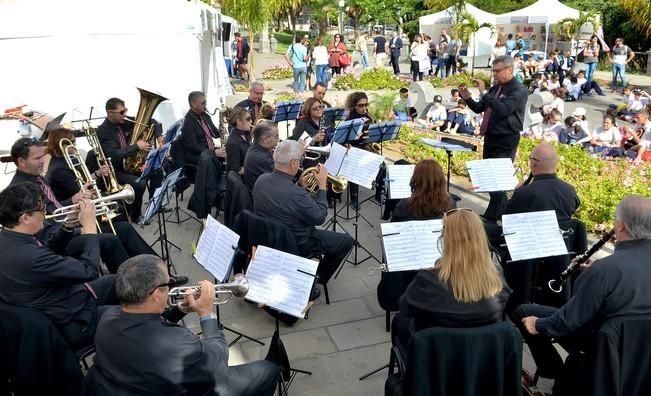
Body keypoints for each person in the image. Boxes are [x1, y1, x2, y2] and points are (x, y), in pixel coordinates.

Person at [91, 255, 280, 395]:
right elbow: (218, 359)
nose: (172, 286)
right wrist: (207, 314)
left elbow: (147, 320)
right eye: (169, 282)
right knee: (268, 370)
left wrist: (181, 309)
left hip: (135, 381)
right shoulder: (177, 344)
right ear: (156, 294)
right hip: (180, 388)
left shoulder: (107, 317)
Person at [513, 195, 651, 383]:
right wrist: (588, 272)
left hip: (602, 345)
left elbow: (569, 320)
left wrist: (538, 324)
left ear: (620, 225)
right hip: (640, 349)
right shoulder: (605, 269)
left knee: (524, 312)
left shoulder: (605, 270)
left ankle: (555, 370)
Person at [0, 182, 120, 349]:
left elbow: (48, 249)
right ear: (25, 218)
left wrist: (68, 225)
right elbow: (89, 270)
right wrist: (90, 228)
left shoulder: (9, 238)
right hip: (73, 321)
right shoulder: (30, 257)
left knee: (121, 281)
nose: (44, 214)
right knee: (134, 315)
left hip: (63, 302)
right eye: (40, 210)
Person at [392, 208, 511, 350]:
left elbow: (405, 307)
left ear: (446, 240)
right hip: (482, 359)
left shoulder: (428, 279)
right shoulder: (497, 278)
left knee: (400, 321)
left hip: (437, 360)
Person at [9, 137, 130, 274]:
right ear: (21, 162)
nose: (43, 161)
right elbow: (43, 230)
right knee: (111, 239)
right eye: (37, 158)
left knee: (123, 227)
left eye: (43, 156)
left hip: (66, 226)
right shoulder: (21, 190)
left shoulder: (36, 177)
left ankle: (144, 270)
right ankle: (130, 282)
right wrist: (80, 229)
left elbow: (53, 208)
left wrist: (74, 200)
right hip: (57, 241)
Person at [44, 128, 161, 259]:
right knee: (119, 214)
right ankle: (134, 256)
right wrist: (92, 192)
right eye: (71, 142)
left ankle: (132, 254)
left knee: (119, 211)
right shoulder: (59, 169)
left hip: (83, 207)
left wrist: (97, 174)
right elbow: (79, 192)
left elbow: (82, 183)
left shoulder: (66, 160)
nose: (74, 145)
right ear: (61, 145)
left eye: (74, 141)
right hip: (77, 214)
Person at [252, 140, 354, 284]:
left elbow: (285, 198)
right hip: (299, 242)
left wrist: (300, 185)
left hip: (268, 238)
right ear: (293, 163)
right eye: (301, 159)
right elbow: (319, 217)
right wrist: (323, 186)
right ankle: (318, 278)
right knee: (346, 241)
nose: (301, 163)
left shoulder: (261, 180)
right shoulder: (295, 194)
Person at [459, 55, 528, 221]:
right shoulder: (496, 89)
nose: (494, 75)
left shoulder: (518, 90)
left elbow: (503, 109)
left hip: (506, 139)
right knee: (490, 178)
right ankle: (497, 211)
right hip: (491, 137)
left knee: (498, 179)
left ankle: (498, 214)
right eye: (493, 71)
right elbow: (479, 108)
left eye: (497, 71)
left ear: (509, 70)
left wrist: (483, 91)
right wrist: (467, 97)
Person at [97, 97, 154, 222]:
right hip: (115, 170)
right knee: (139, 183)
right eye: (122, 112)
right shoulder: (103, 131)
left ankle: (154, 206)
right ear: (110, 113)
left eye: (126, 111)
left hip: (128, 164)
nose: (125, 115)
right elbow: (113, 155)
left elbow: (152, 121)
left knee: (156, 171)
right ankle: (135, 215)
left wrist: (159, 136)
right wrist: (137, 146)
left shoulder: (124, 122)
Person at [503, 143, 580, 221]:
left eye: (530, 159)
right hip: (562, 233)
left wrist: (516, 192)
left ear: (534, 163)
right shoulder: (570, 191)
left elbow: (507, 217)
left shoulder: (524, 192)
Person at [391, 160, 456, 222]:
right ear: (441, 180)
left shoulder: (403, 205)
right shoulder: (451, 205)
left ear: (416, 179)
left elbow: (393, 231)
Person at [180, 91, 226, 168]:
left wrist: (222, 130)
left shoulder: (205, 116)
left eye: (205, 103)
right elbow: (193, 146)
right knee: (215, 162)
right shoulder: (188, 122)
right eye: (203, 103)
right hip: (196, 155)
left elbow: (215, 134)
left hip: (208, 150)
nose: (205, 105)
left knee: (231, 155)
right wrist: (213, 152)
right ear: (193, 104)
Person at [243, 121, 278, 191]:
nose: (278, 140)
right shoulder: (262, 158)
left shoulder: (254, 147)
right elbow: (280, 181)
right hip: (263, 197)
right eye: (276, 136)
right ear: (265, 139)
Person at [225, 107, 253, 175]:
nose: (251, 121)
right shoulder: (233, 143)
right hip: (242, 181)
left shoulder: (245, 133)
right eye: (248, 119)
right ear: (239, 122)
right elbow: (236, 170)